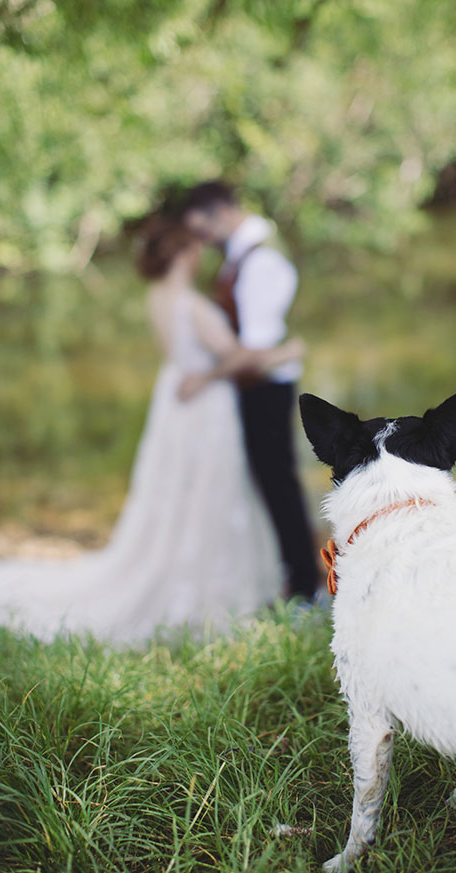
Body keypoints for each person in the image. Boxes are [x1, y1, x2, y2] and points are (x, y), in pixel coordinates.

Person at [0, 196, 303, 643]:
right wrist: (287, 352)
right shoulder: (194, 307)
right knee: (210, 491)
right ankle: (214, 588)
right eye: (196, 249)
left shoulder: (156, 299)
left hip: (173, 403)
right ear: (184, 255)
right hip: (205, 405)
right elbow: (237, 358)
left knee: (177, 493)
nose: (203, 255)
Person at [182, 181, 319, 602]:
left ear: (220, 213)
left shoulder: (259, 262)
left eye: (202, 231)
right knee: (270, 483)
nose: (202, 243)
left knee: (278, 485)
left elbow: (257, 353)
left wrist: (204, 378)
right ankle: (296, 577)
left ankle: (305, 586)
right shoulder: (245, 255)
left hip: (266, 389)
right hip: (256, 386)